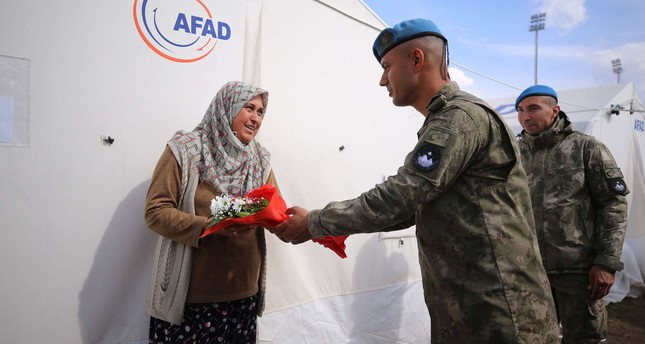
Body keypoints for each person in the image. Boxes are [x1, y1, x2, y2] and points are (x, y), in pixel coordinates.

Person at [270, 18, 560, 343]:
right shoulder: (448, 119)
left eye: (387, 66)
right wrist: (335, 224)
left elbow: (403, 196)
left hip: (498, 310)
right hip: (473, 305)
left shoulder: (458, 119)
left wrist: (315, 222)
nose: (383, 80)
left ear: (417, 60)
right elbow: (413, 207)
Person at [144, 81, 278, 343]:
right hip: (191, 298)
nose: (255, 118)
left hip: (243, 294)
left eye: (260, 111)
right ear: (227, 108)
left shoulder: (260, 159)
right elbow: (155, 211)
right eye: (248, 108)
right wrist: (209, 226)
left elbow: (274, 207)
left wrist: (301, 223)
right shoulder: (186, 151)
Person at [515, 85, 629, 343]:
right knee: (532, 337)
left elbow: (613, 205)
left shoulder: (585, 148)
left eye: (533, 108)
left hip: (577, 271)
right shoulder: (515, 154)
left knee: (584, 337)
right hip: (530, 270)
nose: (525, 117)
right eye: (520, 111)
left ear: (554, 111)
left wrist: (606, 263)